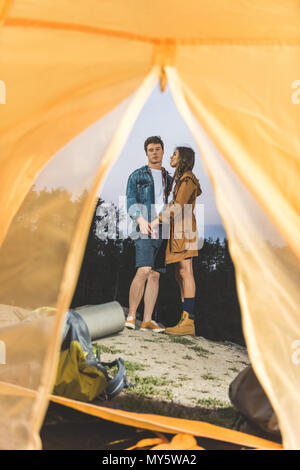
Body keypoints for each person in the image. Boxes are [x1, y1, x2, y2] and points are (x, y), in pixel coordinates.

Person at [151, 146, 202, 336]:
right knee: (179, 274)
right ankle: (184, 319)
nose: (171, 157)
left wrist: (158, 219)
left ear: (183, 159)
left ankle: (189, 320)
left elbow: (179, 206)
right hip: (178, 230)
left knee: (186, 271)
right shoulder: (181, 179)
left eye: (175, 154)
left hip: (185, 229)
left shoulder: (188, 178)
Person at [125, 136, 172, 331]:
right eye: (151, 149)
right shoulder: (137, 175)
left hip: (163, 228)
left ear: (162, 151)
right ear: (146, 153)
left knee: (155, 275)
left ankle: (146, 320)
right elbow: (130, 200)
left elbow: (174, 204)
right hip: (143, 226)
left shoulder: (169, 179)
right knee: (144, 269)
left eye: (157, 149)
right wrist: (140, 220)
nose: (154, 152)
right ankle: (130, 316)